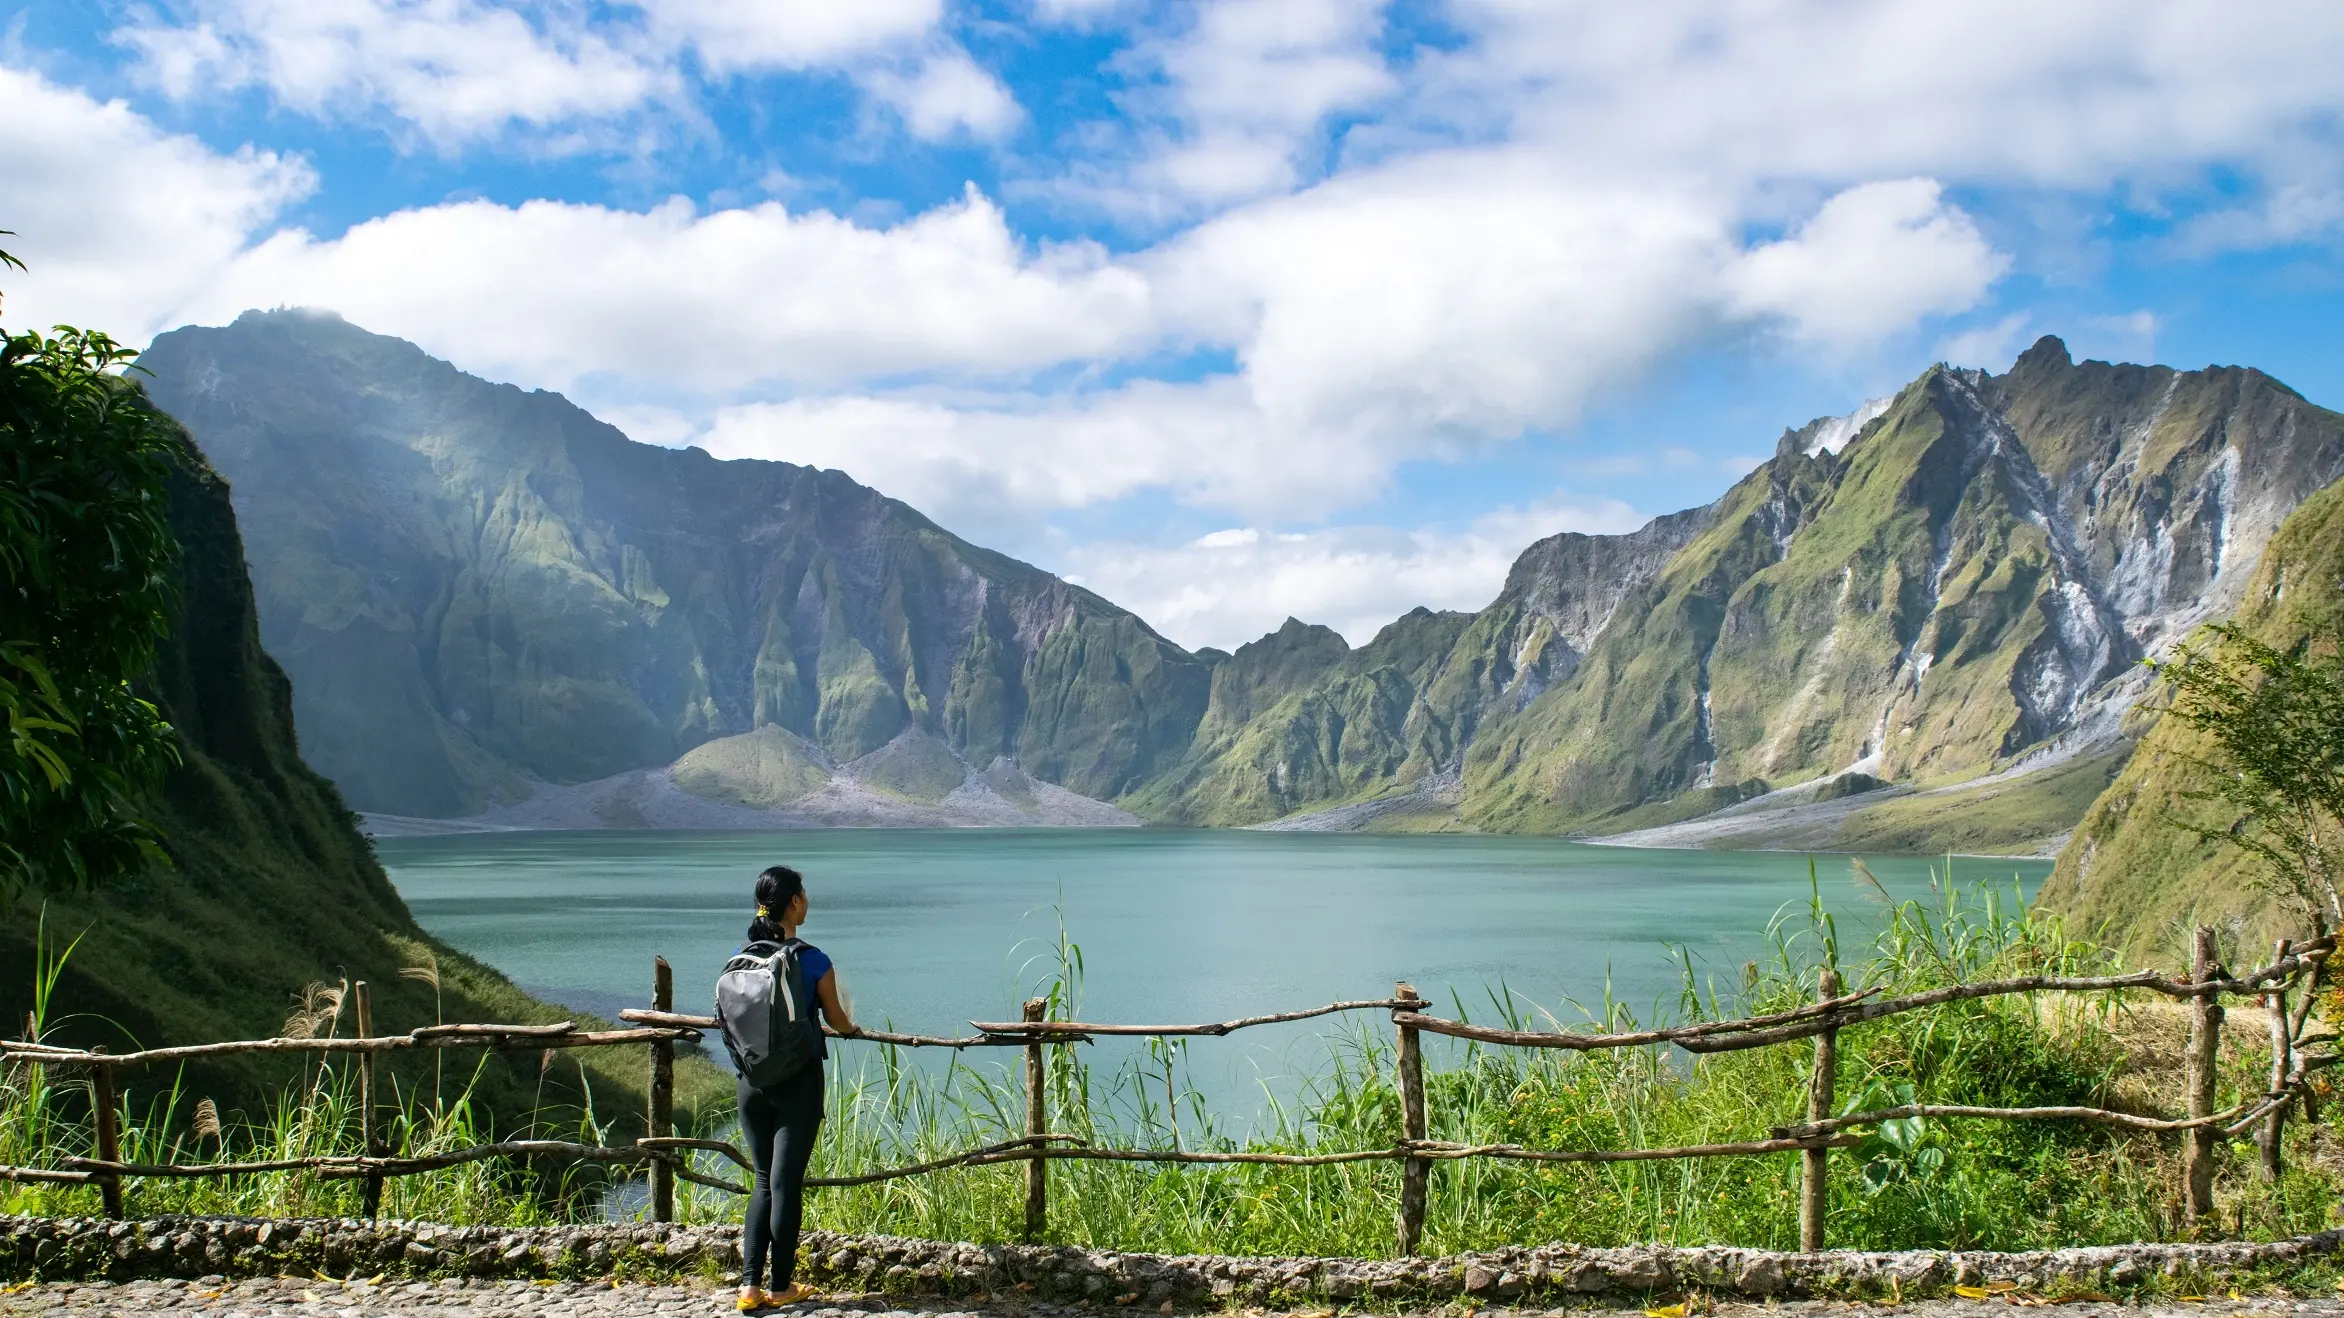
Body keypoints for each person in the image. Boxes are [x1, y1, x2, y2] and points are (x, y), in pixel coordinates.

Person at [734, 865, 857, 1312]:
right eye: (803, 894)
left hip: (750, 1081)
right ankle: (782, 1285)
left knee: (762, 1180)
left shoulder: (743, 954)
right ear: (794, 904)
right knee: (786, 1183)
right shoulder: (813, 958)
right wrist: (851, 1026)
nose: (807, 900)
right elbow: (838, 1020)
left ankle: (749, 1286)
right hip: (797, 1082)